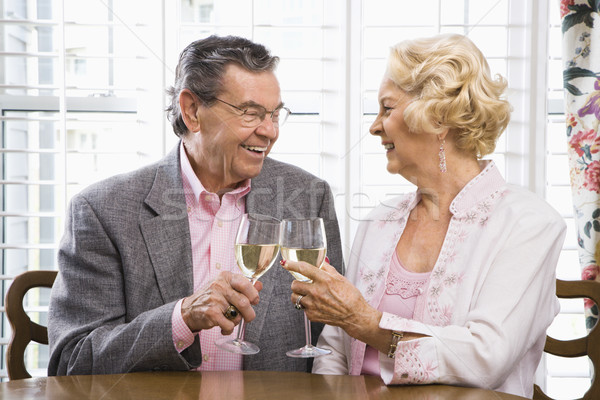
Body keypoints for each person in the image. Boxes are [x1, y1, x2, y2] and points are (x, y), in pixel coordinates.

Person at [281, 33, 565, 398]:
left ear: (436, 116)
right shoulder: (378, 221)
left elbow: (486, 358)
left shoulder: (529, 224)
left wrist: (366, 323)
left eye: (387, 108)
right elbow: (334, 349)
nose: (374, 126)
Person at [48, 35, 343, 375]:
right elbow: (72, 363)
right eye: (251, 113)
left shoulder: (307, 196)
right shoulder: (102, 211)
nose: (269, 131)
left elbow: (334, 340)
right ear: (191, 111)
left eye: (275, 114)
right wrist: (182, 317)